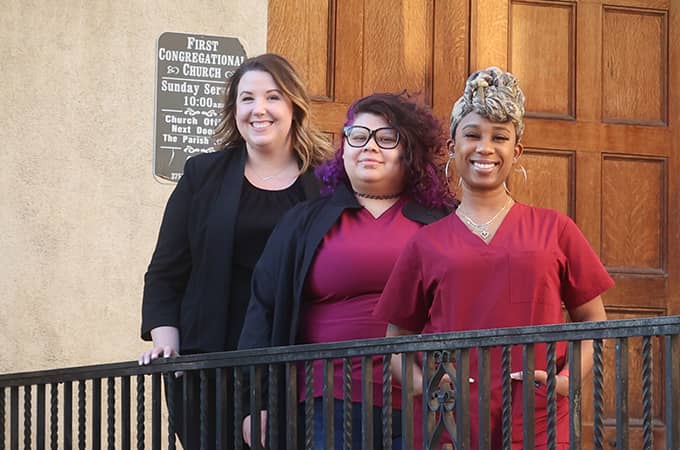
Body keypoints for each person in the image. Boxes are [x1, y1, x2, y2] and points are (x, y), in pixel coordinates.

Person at [374, 67, 613, 450]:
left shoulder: (555, 229)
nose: (485, 148)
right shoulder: (426, 243)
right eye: (472, 135)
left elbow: (595, 323)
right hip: (448, 419)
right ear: (453, 146)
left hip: (537, 415)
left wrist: (567, 381)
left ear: (515, 151)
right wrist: (424, 385)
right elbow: (394, 343)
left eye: (499, 137)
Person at [138, 53, 334, 449]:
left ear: (294, 106)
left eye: (272, 97)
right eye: (247, 99)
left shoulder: (327, 183)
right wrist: (166, 340)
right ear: (234, 110)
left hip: (294, 366)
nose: (258, 109)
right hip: (207, 364)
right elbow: (165, 272)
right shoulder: (202, 174)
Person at [238, 92, 455, 449]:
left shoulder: (445, 221)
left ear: (409, 152)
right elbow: (263, 309)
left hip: (424, 399)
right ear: (345, 149)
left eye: (386, 138)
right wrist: (255, 403)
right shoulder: (304, 222)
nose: (369, 147)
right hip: (329, 401)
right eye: (358, 136)